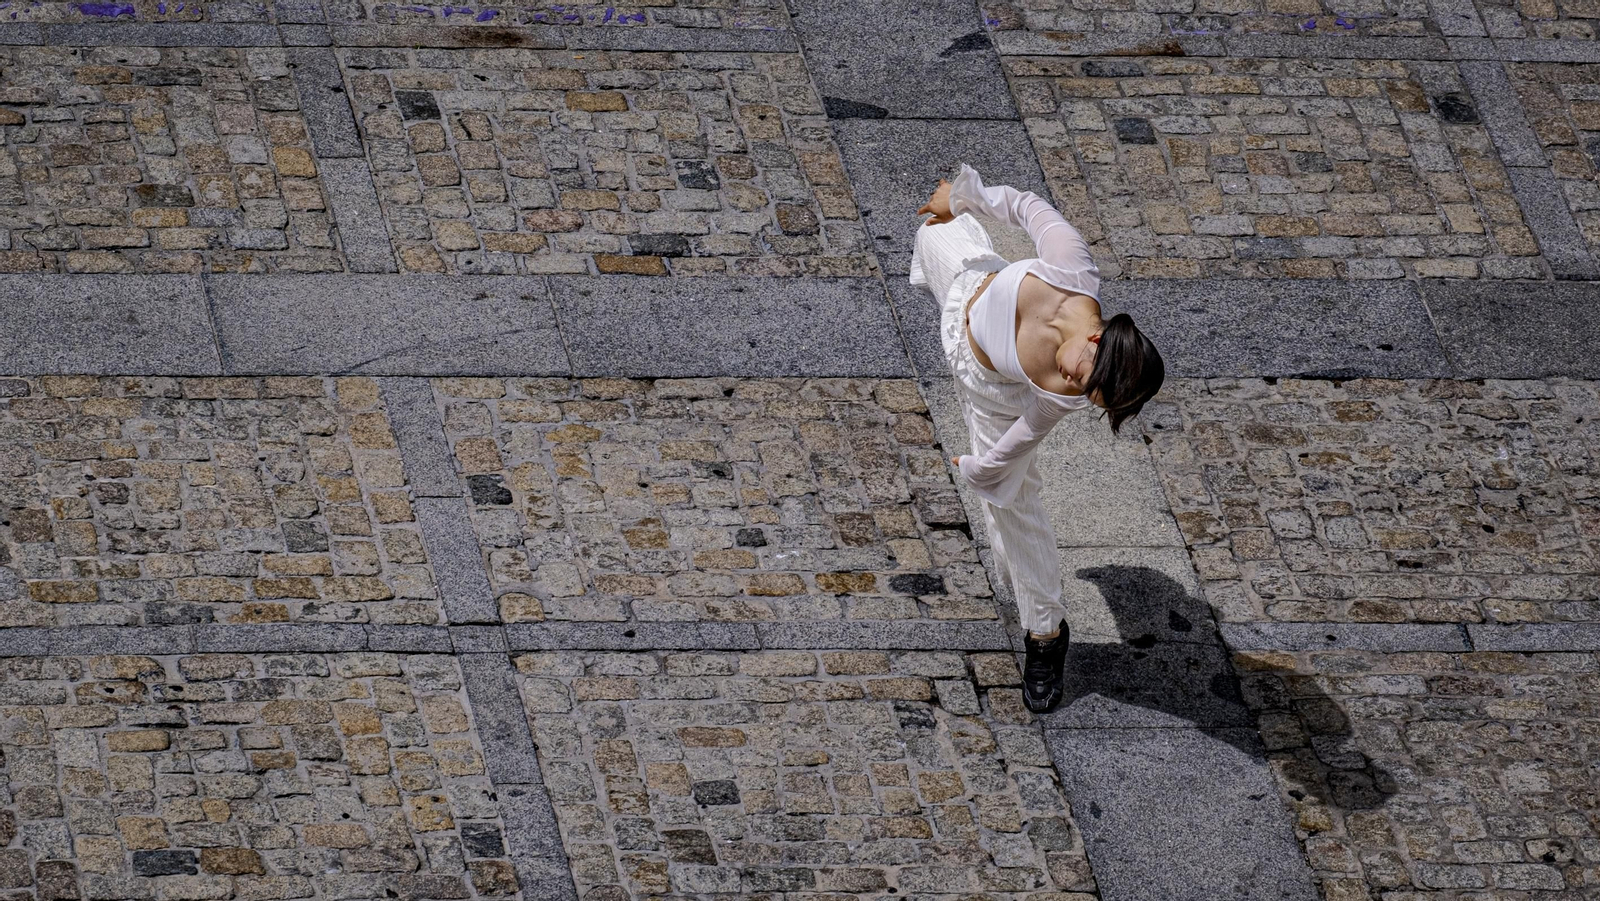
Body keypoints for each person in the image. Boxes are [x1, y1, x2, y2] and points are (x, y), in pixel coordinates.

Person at [913, 164, 1164, 713]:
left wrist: (981, 470)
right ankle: (1020, 576)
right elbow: (1027, 205)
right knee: (930, 225)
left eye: (1085, 396)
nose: (1074, 386)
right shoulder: (1071, 265)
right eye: (1082, 376)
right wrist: (963, 197)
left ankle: (1045, 635)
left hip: (993, 394)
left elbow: (1020, 439)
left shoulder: (1063, 394)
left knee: (1013, 507)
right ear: (1096, 339)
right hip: (966, 287)